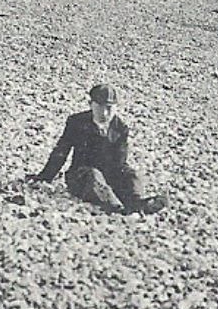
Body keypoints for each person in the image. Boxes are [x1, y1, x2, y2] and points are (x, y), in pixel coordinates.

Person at [28, 84, 167, 215]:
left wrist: (127, 181)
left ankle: (137, 203)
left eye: (109, 108)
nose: (105, 113)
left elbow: (120, 163)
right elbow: (61, 152)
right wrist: (44, 177)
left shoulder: (120, 128)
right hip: (80, 175)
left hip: (107, 176)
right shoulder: (77, 122)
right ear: (91, 105)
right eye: (100, 107)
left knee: (130, 173)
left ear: (116, 108)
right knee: (93, 175)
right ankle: (116, 208)